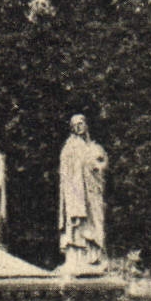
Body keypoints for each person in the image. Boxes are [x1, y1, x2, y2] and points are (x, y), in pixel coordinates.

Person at [58, 114, 109, 274]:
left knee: (96, 221)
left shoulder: (95, 147)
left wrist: (99, 166)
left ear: (86, 125)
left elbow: (103, 163)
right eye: (75, 125)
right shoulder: (70, 147)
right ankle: (78, 257)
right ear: (72, 128)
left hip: (93, 191)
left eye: (81, 123)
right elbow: (65, 171)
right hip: (77, 193)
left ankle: (95, 257)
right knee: (78, 224)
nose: (79, 127)